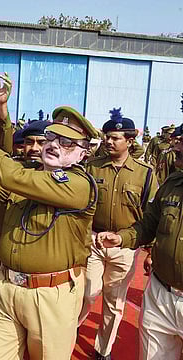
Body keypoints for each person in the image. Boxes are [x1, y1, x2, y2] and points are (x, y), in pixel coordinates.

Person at [0, 101, 99, 359]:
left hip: (51, 296)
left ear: (83, 154)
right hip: (6, 288)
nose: (53, 144)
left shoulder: (79, 185)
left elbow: (12, 177)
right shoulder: (26, 173)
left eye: (67, 142)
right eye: (52, 136)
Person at [97, 124, 183, 359]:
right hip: (161, 293)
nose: (175, 145)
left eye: (182, 142)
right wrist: (122, 237)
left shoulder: (145, 173)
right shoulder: (171, 184)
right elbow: (148, 225)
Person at [78, 108, 157, 360]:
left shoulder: (145, 174)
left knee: (115, 302)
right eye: (107, 137)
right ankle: (67, 333)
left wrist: (150, 249)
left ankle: (104, 349)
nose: (109, 141)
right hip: (94, 242)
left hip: (125, 247)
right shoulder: (92, 167)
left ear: (130, 141)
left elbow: (150, 213)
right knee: (87, 293)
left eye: (115, 138)